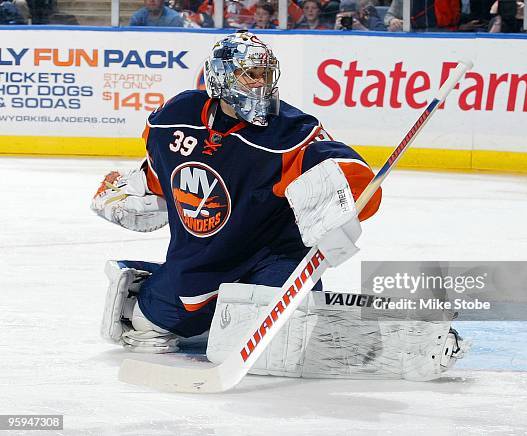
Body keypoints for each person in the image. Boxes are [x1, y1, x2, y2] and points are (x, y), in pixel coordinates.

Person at [92, 31, 465, 381]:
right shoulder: (173, 119)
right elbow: (160, 178)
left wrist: (346, 187)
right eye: (252, 74)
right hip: (200, 265)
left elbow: (344, 169)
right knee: (145, 325)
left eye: (266, 74)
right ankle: (180, 299)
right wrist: (132, 190)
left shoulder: (290, 132)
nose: (262, 84)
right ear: (222, 77)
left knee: (288, 340)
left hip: (271, 260)